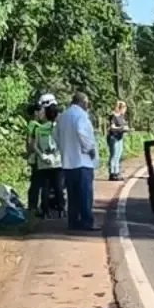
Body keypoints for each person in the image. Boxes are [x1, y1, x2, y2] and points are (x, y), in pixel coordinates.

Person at [54, 92, 100, 232]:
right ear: (83, 102)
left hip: (68, 162)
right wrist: (89, 148)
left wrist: (62, 148)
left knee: (72, 195)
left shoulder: (63, 117)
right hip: (82, 161)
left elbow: (55, 135)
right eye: (87, 103)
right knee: (85, 194)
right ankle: (87, 221)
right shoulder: (81, 115)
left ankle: (73, 221)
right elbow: (82, 132)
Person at [34, 104, 64, 218]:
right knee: (58, 186)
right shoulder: (59, 128)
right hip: (57, 161)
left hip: (43, 162)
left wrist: (41, 156)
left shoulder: (39, 128)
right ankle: (61, 209)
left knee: (45, 187)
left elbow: (35, 145)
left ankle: (45, 211)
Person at [107, 100, 130, 181]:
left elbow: (124, 125)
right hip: (114, 137)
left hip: (120, 137)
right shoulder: (113, 116)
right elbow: (112, 127)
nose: (125, 110)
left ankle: (116, 172)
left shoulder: (122, 116)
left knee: (119, 155)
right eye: (124, 108)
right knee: (114, 155)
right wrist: (121, 128)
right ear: (120, 108)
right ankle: (112, 173)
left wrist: (126, 129)